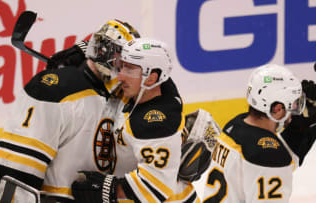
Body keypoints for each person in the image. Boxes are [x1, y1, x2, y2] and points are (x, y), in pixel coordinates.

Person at [0, 19, 141, 202]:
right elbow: (18, 169)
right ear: (105, 52)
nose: (126, 68)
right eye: (122, 59)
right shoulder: (57, 91)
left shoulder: (128, 95)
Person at [71, 38, 215, 203]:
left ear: (151, 79)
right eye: (122, 66)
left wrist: (110, 190)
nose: (120, 77)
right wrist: (86, 53)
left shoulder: (155, 124)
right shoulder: (153, 85)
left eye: (130, 70)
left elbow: (155, 189)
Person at [202, 64, 316, 203]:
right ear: (278, 108)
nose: (295, 111)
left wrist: (300, 131)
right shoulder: (266, 155)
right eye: (293, 105)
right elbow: (271, 159)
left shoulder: (235, 125)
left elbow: (269, 159)